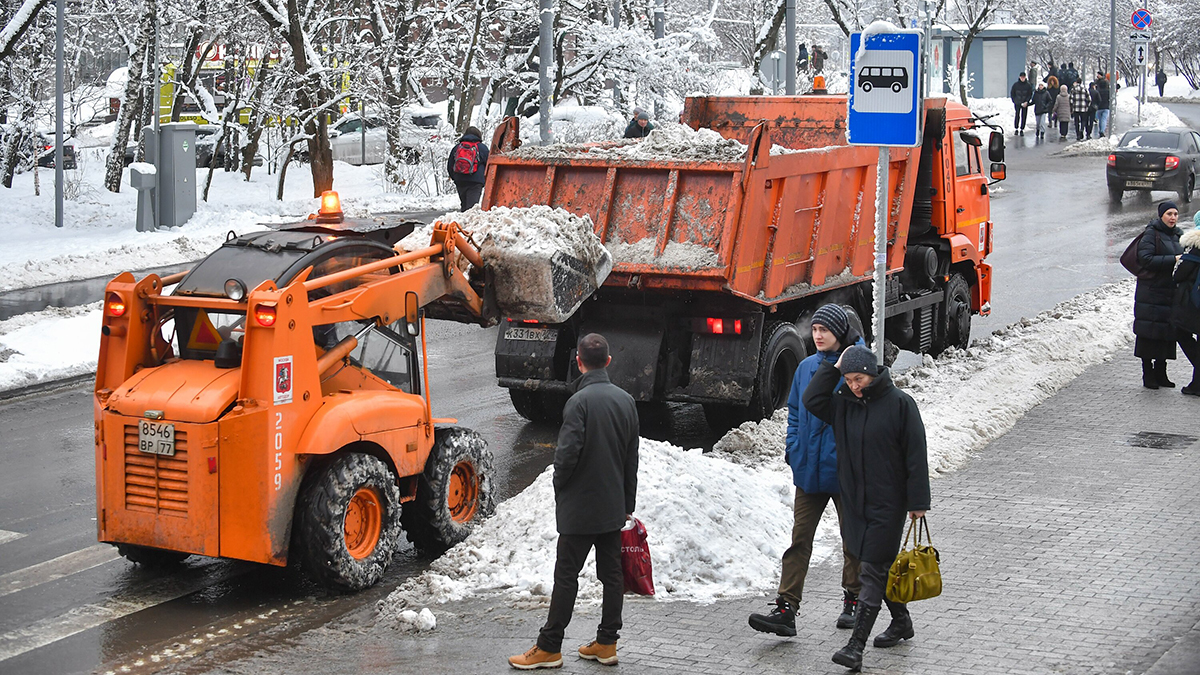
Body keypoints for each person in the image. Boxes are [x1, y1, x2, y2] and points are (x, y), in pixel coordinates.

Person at [508, 334, 640, 670]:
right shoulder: (626, 401)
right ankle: (607, 643)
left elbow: (566, 457)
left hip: (580, 509)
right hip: (612, 507)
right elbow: (631, 459)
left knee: (567, 576)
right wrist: (627, 503)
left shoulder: (578, 403)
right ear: (608, 361)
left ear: (579, 362)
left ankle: (549, 647)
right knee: (612, 576)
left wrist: (560, 487)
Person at [803, 345, 930, 672]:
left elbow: (916, 455)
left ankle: (855, 647)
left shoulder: (900, 404)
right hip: (854, 502)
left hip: (888, 504)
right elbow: (812, 399)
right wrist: (835, 367)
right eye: (848, 379)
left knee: (872, 569)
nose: (854, 385)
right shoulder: (843, 404)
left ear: (872, 373)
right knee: (874, 565)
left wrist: (918, 501)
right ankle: (901, 621)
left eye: (858, 378)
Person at [748, 305, 864, 638]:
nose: (818, 335)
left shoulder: (856, 369)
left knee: (852, 539)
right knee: (799, 540)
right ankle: (786, 608)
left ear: (839, 332)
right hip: (809, 469)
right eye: (814, 329)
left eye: (824, 330)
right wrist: (794, 449)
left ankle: (854, 600)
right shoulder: (805, 367)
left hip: (845, 472)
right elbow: (795, 414)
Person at [1134, 202, 1185, 389]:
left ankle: (1161, 373)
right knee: (1149, 333)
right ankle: (1148, 374)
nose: (1173, 218)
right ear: (1161, 215)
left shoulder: (1178, 235)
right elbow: (1145, 259)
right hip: (1151, 292)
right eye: (1169, 214)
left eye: (1175, 214)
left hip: (1170, 292)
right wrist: (1173, 259)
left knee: (1166, 333)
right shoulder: (1151, 234)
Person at [1174, 215, 1200, 396]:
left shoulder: (1194, 246)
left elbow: (1179, 274)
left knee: (1181, 332)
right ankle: (1196, 385)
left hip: (1194, 300)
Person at [446, 126, 489, 211]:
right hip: (475, 182)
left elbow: (450, 165)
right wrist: (484, 179)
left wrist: (455, 177)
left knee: (464, 205)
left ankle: (463, 218)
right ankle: (468, 219)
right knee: (472, 208)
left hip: (460, 180)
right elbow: (489, 164)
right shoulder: (482, 148)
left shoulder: (457, 147)